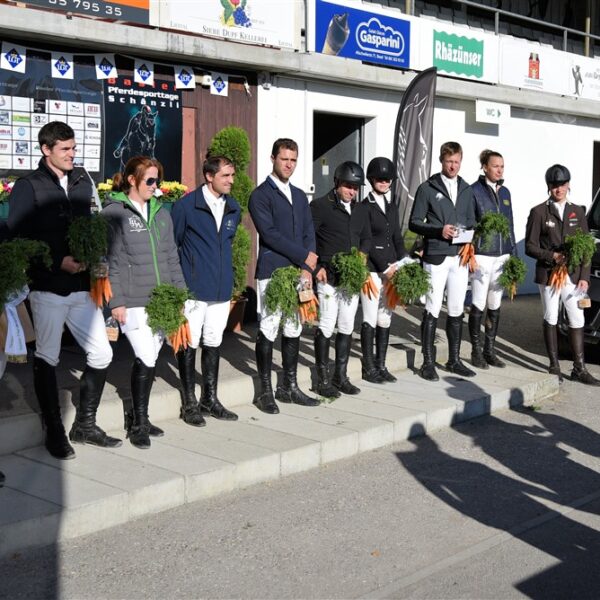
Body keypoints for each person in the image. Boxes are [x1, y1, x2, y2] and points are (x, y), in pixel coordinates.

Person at [3, 121, 118, 460]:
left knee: (103, 353)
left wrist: (93, 256)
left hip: (83, 287)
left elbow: (93, 223)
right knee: (48, 357)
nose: (72, 154)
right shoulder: (29, 186)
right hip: (48, 288)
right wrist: (56, 262)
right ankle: (54, 431)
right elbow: (17, 238)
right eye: (65, 149)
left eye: (74, 148)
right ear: (46, 150)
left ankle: (85, 424)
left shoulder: (82, 180)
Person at [103, 156, 187, 448]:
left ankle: (142, 417)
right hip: (132, 300)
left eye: (157, 180)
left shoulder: (162, 212)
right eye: (150, 180)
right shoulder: (114, 213)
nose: (155, 185)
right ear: (132, 180)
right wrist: (116, 301)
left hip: (161, 299)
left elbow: (172, 256)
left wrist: (179, 294)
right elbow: (111, 261)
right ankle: (137, 423)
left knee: (151, 356)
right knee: (147, 356)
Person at [248, 138, 320, 414]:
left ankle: (289, 387)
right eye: (284, 159)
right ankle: (265, 392)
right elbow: (270, 235)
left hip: (298, 272)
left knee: (294, 327)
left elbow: (308, 233)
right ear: (273, 159)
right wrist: (303, 256)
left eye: (293, 160)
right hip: (273, 270)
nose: (289, 165)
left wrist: (307, 267)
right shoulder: (260, 196)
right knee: (269, 325)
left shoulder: (300, 196)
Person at [171, 156, 241, 424]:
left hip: (221, 289)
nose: (231, 181)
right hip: (193, 289)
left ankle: (210, 399)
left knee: (213, 341)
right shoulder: (186, 206)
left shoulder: (233, 207)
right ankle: (189, 403)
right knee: (189, 343)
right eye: (226, 176)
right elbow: (173, 245)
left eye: (232, 175)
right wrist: (179, 286)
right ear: (209, 176)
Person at [525, 164, 599, 385]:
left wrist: (584, 276)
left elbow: (587, 247)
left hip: (573, 274)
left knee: (577, 318)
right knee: (551, 316)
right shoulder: (539, 212)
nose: (559, 189)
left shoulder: (578, 212)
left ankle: (579, 368)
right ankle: (554, 366)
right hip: (549, 274)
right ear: (549, 186)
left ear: (568, 185)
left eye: (562, 184)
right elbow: (530, 246)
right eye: (554, 185)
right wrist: (552, 256)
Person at [409, 141, 477, 381]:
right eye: (449, 161)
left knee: (457, 309)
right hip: (436, 255)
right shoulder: (427, 188)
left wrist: (470, 236)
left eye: (457, 161)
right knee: (432, 307)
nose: (453, 166)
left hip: (459, 257)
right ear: (441, 161)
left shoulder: (466, 189)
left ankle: (454, 360)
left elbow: (472, 220)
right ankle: (428, 363)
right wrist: (439, 230)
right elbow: (414, 222)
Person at [311, 161, 370, 397]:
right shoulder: (319, 206)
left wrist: (362, 256)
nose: (352, 191)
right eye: (348, 186)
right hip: (327, 274)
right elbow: (309, 239)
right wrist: (316, 268)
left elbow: (366, 237)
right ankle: (322, 380)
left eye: (355, 188)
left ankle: (340, 376)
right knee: (327, 323)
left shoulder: (361, 209)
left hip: (351, 276)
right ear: (337, 183)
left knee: (346, 324)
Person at [360, 156, 411, 383]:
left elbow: (397, 237)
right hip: (373, 269)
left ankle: (381, 364)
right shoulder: (364, 207)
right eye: (380, 179)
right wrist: (384, 267)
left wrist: (404, 261)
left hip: (391, 268)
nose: (384, 182)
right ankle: (368, 367)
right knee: (370, 317)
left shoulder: (392, 207)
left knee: (385, 317)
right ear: (371, 180)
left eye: (387, 179)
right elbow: (367, 241)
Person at [469, 150, 517, 369]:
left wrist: (513, 257)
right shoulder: (474, 191)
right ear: (485, 167)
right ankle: (475, 351)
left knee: (495, 303)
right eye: (495, 166)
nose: (499, 170)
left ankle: (489, 350)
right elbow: (469, 224)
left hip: (502, 256)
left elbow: (510, 226)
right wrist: (470, 252)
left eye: (502, 166)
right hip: (482, 254)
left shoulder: (505, 192)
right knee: (478, 303)